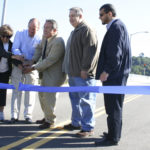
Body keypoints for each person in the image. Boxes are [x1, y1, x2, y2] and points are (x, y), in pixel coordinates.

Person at [95, 4, 132, 146]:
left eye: (101, 14)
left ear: (110, 14)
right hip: (117, 75)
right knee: (112, 107)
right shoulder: (117, 27)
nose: (100, 18)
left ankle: (113, 138)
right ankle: (113, 133)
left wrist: (106, 71)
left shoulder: (116, 27)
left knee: (113, 107)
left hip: (114, 76)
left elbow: (115, 54)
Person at [23, 19, 66, 129]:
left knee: (49, 97)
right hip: (45, 73)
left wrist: (33, 67)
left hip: (55, 75)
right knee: (42, 96)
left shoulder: (59, 42)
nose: (44, 30)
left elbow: (50, 60)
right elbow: (39, 49)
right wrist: (32, 61)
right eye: (44, 27)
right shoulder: (45, 38)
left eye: (48, 28)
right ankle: (47, 117)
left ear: (55, 30)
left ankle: (50, 121)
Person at [63, 7, 98, 138]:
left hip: (83, 74)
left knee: (87, 101)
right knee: (75, 100)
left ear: (81, 16)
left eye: (73, 16)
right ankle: (76, 123)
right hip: (73, 74)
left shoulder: (86, 29)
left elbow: (91, 52)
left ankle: (88, 127)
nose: (71, 18)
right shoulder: (75, 31)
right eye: (69, 16)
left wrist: (85, 69)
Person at [10, 18, 41, 124]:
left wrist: (30, 64)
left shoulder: (40, 39)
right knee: (16, 90)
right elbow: (15, 48)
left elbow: (39, 55)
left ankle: (28, 115)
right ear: (27, 26)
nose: (32, 31)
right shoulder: (20, 34)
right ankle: (14, 115)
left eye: (34, 29)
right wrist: (21, 57)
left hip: (32, 66)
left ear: (38, 28)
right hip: (19, 63)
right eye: (30, 28)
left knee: (30, 92)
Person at [0, 24, 23, 122]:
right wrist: (14, 56)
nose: (5, 38)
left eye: (8, 37)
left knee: (2, 93)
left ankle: (1, 113)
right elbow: (2, 53)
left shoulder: (11, 45)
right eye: (3, 36)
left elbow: (15, 60)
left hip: (5, 72)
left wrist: (20, 66)